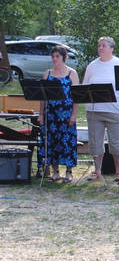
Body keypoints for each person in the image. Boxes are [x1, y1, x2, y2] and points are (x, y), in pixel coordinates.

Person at [83, 37, 119, 181]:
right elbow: (85, 86)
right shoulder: (92, 66)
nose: (100, 48)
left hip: (116, 110)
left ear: (112, 48)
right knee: (95, 142)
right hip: (95, 110)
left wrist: (118, 96)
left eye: (104, 45)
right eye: (99, 46)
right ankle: (97, 170)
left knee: (117, 142)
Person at [38, 46, 79, 183]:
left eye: (57, 56)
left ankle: (69, 172)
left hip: (66, 114)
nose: (54, 59)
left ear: (63, 57)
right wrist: (41, 115)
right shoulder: (47, 73)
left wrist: (73, 115)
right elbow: (42, 97)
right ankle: (55, 172)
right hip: (51, 114)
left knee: (67, 142)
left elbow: (76, 97)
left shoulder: (71, 73)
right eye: (53, 56)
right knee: (52, 142)